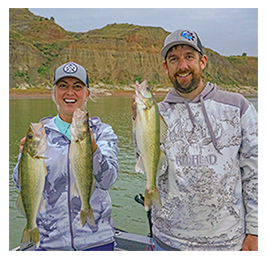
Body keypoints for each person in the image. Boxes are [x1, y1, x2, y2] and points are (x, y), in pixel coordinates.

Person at [132, 29, 258, 251]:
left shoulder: (238, 106)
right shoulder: (155, 113)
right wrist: (138, 123)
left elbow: (256, 173)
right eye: (174, 59)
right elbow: (147, 163)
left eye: (189, 57)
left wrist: (255, 231)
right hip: (168, 242)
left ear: (203, 61)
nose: (182, 66)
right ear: (166, 67)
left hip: (228, 245)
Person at [13, 61, 119, 251]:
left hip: (97, 240)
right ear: (54, 92)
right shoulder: (39, 133)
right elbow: (19, 184)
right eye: (63, 86)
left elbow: (108, 181)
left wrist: (93, 149)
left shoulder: (103, 132)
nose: (70, 92)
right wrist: (24, 159)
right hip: (49, 243)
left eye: (77, 87)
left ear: (87, 93)